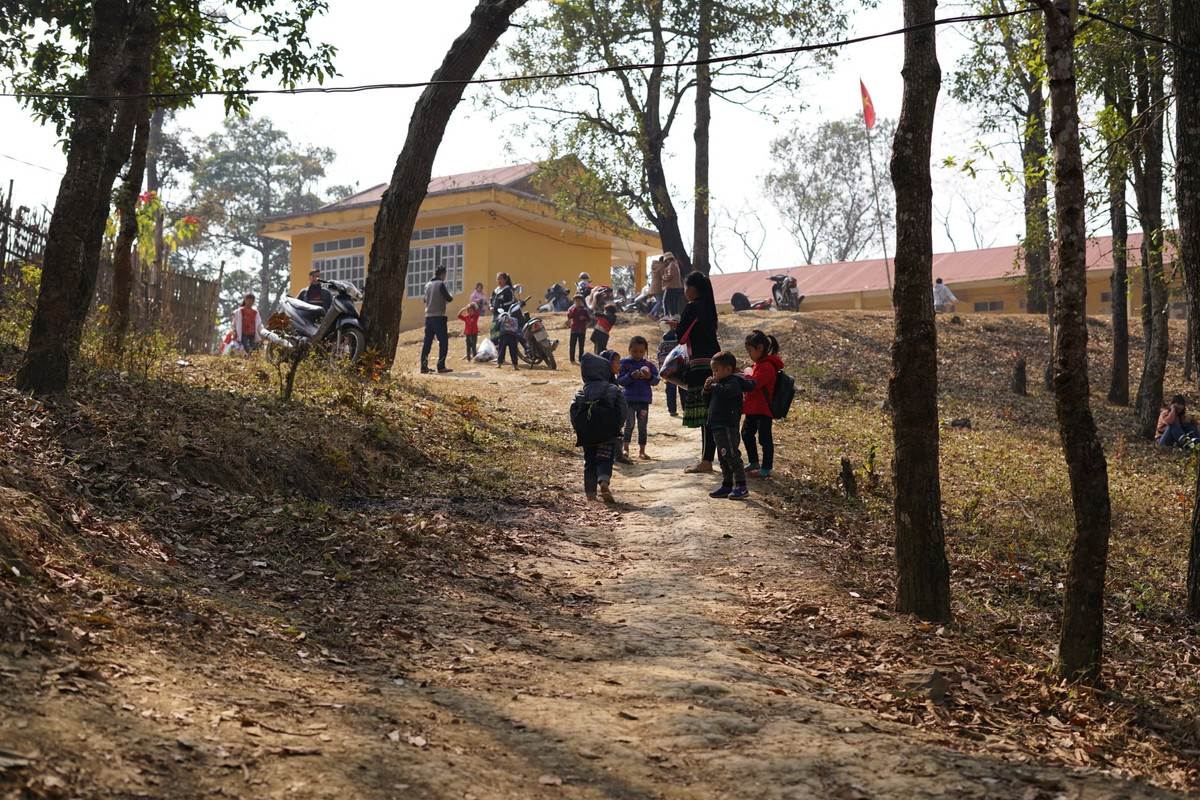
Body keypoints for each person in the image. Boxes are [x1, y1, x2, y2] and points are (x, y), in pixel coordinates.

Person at [677, 270, 721, 473]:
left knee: (705, 416)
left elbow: (680, 336)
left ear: (692, 289)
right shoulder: (709, 309)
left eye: (685, 287)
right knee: (711, 414)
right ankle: (710, 459)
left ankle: (705, 461)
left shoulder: (692, 307)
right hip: (714, 362)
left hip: (700, 364)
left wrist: (675, 326)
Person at [574, 351, 628, 503]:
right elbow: (622, 409)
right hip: (607, 432)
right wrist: (617, 425)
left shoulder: (580, 392)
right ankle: (604, 482)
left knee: (589, 461)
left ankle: (591, 494)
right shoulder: (613, 389)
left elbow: (574, 411)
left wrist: (578, 428)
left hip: (588, 434)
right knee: (605, 458)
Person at [704, 350, 756, 500]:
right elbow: (708, 402)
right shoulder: (718, 384)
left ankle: (741, 486)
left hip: (727, 425)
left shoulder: (733, 382)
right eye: (712, 371)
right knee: (723, 457)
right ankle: (726, 485)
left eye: (716, 370)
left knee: (732, 455)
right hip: (717, 425)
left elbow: (726, 393)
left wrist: (713, 385)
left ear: (728, 369)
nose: (713, 374)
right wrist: (706, 390)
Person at [742, 329, 784, 478]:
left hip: (762, 408)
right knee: (746, 434)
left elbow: (755, 383)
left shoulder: (767, 366)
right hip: (752, 408)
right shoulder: (758, 364)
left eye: (750, 350)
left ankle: (766, 468)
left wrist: (742, 379)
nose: (749, 354)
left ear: (760, 348)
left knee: (765, 438)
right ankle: (754, 461)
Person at [618, 335, 660, 461]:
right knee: (629, 424)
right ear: (629, 349)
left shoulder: (648, 364)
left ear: (645, 351)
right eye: (635, 351)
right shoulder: (625, 364)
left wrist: (649, 377)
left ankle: (642, 451)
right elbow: (620, 381)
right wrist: (630, 376)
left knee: (642, 426)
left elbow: (656, 380)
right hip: (629, 401)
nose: (638, 354)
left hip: (643, 402)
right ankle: (626, 448)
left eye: (641, 351)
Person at [420, 264, 454, 374]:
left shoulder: (428, 285)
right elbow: (448, 298)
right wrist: (450, 295)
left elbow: (425, 300)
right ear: (443, 275)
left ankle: (423, 366)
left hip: (428, 317)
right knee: (443, 341)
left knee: (427, 342)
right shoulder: (440, 284)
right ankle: (441, 365)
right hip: (439, 316)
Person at [657, 320, 680, 417]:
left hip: (668, 372)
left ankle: (672, 410)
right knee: (683, 390)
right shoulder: (679, 343)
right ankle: (685, 408)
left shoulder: (662, 345)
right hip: (679, 370)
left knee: (670, 390)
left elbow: (660, 358)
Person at [567, 293, 591, 364]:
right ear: (574, 302)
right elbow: (569, 316)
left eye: (579, 301)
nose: (578, 302)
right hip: (574, 329)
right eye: (576, 301)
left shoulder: (584, 310)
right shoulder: (572, 309)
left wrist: (584, 318)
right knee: (572, 345)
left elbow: (588, 319)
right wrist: (573, 310)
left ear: (582, 302)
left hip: (582, 330)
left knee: (581, 345)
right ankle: (572, 359)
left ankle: (581, 359)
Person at [661, 252, 684, 318]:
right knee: (674, 301)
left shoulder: (671, 265)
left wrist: (664, 277)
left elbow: (670, 275)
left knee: (666, 300)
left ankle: (667, 315)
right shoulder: (675, 264)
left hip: (671, 286)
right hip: (676, 286)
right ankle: (674, 314)